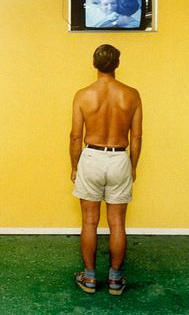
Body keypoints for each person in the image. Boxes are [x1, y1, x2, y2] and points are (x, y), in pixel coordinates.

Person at [69, 44, 142, 295]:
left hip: (91, 156)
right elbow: (138, 137)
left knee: (89, 221)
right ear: (117, 64)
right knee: (117, 223)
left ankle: (89, 278)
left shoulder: (83, 94)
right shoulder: (132, 95)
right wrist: (132, 166)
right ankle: (114, 279)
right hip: (119, 157)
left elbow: (75, 136)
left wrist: (74, 166)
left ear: (94, 63)